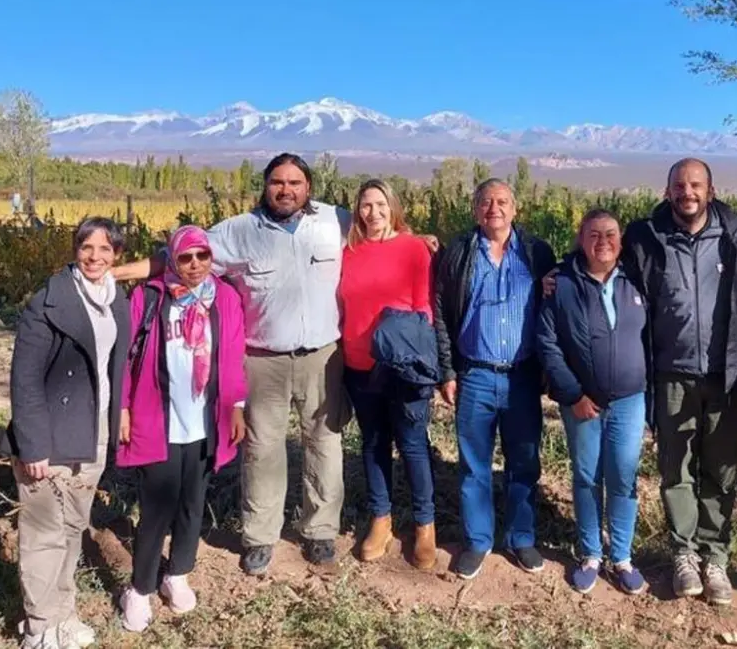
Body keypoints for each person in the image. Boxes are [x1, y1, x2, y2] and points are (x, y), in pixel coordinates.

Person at [113, 153, 352, 574]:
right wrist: (111, 274)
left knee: (325, 445)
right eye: (277, 182)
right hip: (263, 360)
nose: (286, 189)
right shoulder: (239, 231)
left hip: (323, 357)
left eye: (295, 182)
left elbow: (382, 231)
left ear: (309, 187)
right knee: (262, 450)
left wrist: (421, 239)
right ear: (265, 186)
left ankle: (320, 532)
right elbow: (178, 256)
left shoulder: (335, 222)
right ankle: (261, 537)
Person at [620, 157, 737, 603]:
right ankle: (683, 553)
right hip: (670, 372)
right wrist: (559, 271)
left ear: (710, 191)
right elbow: (600, 255)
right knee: (676, 468)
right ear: (667, 189)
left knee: (721, 469)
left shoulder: (735, 237)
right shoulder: (645, 237)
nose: (686, 192)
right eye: (679, 185)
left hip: (724, 375)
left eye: (695, 185)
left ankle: (716, 558)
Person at [3, 217, 131, 649]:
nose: (95, 257)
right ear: (75, 249)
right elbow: (25, 379)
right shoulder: (48, 300)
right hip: (51, 436)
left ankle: (63, 613)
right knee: (43, 533)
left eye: (105, 250)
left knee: (73, 526)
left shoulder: (117, 299)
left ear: (117, 255)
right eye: (87, 247)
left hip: (92, 432)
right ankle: (39, 626)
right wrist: (32, 444)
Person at [115, 225, 248, 631]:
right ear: (171, 259)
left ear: (211, 259)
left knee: (193, 502)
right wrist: (122, 408)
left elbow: (235, 352)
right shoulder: (150, 296)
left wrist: (237, 407)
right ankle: (139, 588)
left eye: (202, 256)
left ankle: (178, 574)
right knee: (157, 506)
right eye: (185, 257)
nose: (194, 265)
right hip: (159, 418)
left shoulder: (224, 297)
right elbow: (126, 356)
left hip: (206, 422)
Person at [433, 178, 556, 579]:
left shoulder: (537, 253)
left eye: (502, 201)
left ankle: (521, 537)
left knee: (524, 461)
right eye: (486, 202)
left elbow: (559, 302)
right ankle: (478, 540)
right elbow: (440, 312)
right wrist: (447, 370)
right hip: (476, 375)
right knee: (473, 465)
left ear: (515, 209)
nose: (494, 209)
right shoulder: (458, 253)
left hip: (522, 377)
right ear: (474, 210)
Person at [537, 209, 649, 596]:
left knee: (623, 475)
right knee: (587, 477)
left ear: (622, 239)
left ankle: (621, 557)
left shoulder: (637, 279)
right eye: (594, 234)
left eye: (611, 233)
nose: (603, 241)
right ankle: (590, 554)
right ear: (580, 238)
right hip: (582, 402)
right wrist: (573, 395)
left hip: (631, 400)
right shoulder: (561, 284)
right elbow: (548, 344)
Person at [337, 179, 438, 570]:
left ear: (392, 206)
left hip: (402, 366)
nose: (373, 213)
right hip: (358, 363)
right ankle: (381, 519)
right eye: (365, 205)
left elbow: (423, 306)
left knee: (412, 445)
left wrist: (408, 355)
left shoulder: (414, 248)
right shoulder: (348, 252)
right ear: (357, 210)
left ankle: (425, 525)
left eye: (380, 205)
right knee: (373, 443)